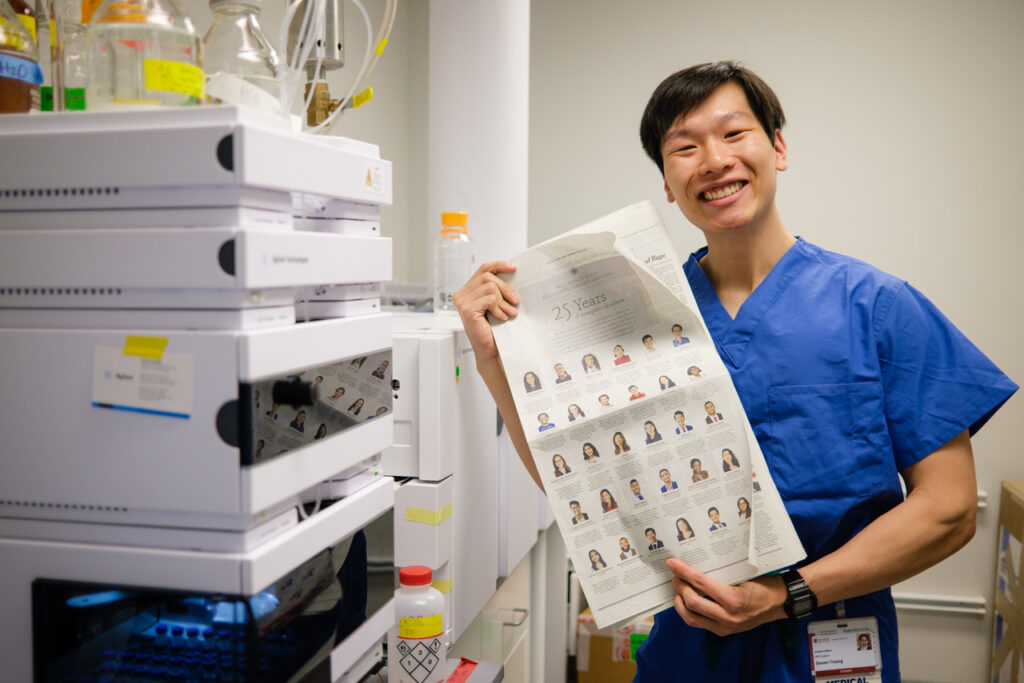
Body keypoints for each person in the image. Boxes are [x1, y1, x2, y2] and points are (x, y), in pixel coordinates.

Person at [452, 60, 1016, 683]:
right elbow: (580, 489)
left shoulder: (878, 307)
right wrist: (492, 361)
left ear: (777, 146)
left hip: (829, 638)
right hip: (689, 649)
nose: (713, 161)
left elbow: (949, 509)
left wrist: (786, 594)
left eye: (733, 134)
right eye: (684, 148)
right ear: (667, 183)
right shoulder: (637, 315)